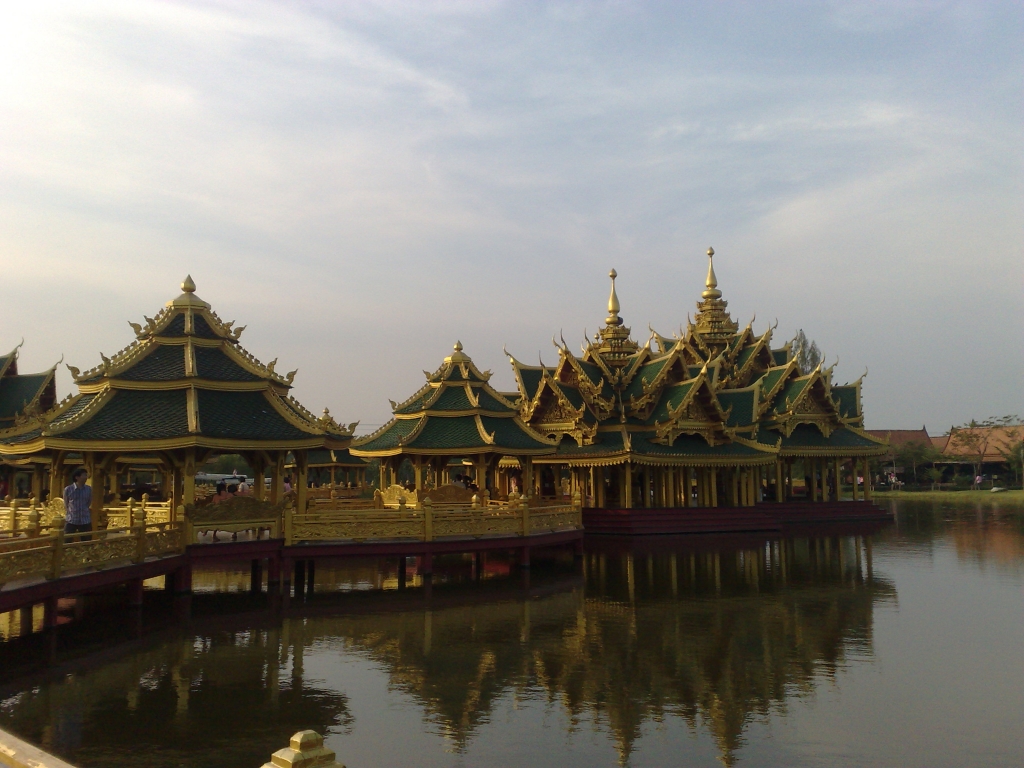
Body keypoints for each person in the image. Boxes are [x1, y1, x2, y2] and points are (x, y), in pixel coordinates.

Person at [63, 468, 92, 537]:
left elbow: (89, 502)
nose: (86, 477)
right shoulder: (68, 489)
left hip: (85, 519)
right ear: (77, 477)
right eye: (84, 475)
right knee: (67, 541)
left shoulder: (88, 489)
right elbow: (66, 503)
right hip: (71, 519)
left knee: (86, 542)